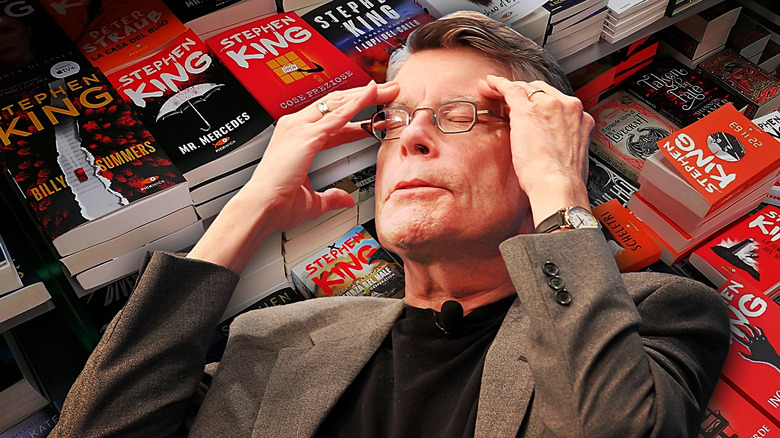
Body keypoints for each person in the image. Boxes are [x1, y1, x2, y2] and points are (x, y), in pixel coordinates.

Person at [50, 11, 730, 437]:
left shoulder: (662, 313)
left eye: (460, 114)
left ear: (535, 145)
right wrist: (251, 205)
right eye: (395, 121)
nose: (411, 140)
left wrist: (558, 183)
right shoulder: (268, 339)